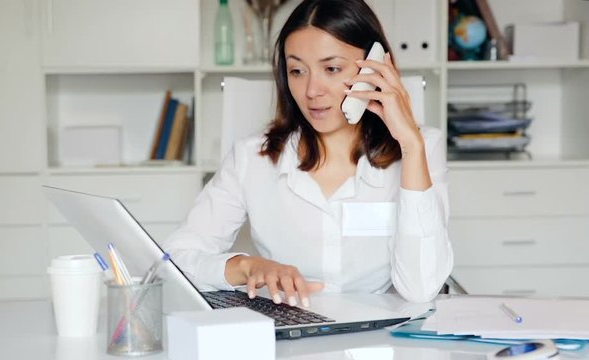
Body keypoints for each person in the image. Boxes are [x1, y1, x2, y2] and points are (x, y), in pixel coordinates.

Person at [162, 0, 453, 306]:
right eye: (297, 71)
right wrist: (245, 267)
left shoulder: (420, 149)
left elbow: (421, 289)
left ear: (375, 66)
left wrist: (410, 144)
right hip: (291, 338)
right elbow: (174, 261)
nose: (312, 90)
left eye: (331, 68)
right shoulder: (252, 158)